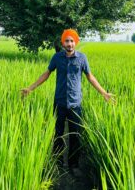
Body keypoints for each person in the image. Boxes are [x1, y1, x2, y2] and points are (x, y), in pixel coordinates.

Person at [20, 29, 116, 176]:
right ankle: (57, 163)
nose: (69, 44)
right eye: (67, 41)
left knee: (75, 135)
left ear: (75, 42)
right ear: (62, 43)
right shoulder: (57, 58)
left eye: (72, 41)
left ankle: (74, 165)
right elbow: (46, 74)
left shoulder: (82, 58)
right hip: (59, 102)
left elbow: (90, 77)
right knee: (57, 133)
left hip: (75, 104)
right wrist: (30, 88)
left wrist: (104, 93)